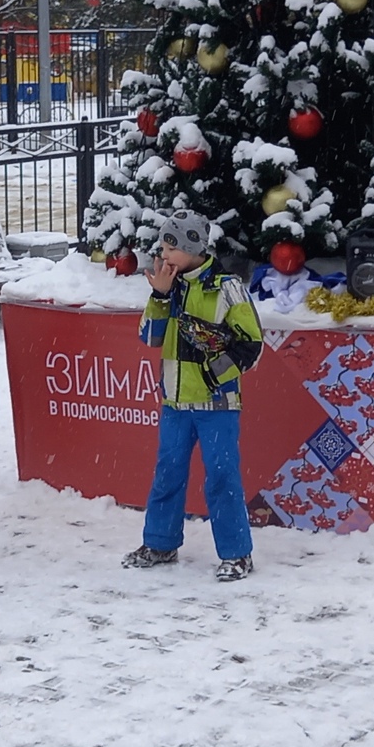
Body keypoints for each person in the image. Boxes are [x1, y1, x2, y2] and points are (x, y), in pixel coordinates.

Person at [123, 212, 264, 583]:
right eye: (163, 246)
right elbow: (150, 338)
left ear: (193, 248)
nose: (164, 254)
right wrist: (159, 296)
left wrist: (212, 374)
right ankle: (160, 542)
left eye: (171, 247)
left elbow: (252, 345)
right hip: (174, 404)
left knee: (221, 476)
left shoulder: (227, 287)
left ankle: (237, 553)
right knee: (167, 473)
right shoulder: (168, 286)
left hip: (217, 406)